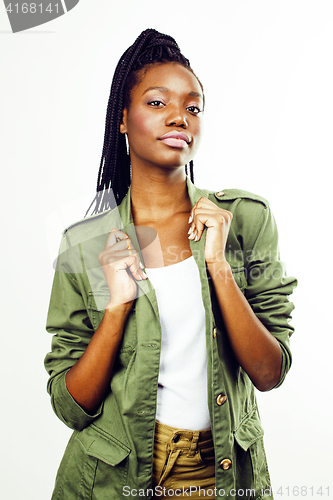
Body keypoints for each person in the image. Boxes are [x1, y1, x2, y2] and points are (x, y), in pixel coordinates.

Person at [45, 29, 297, 500]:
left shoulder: (244, 220)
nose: (180, 116)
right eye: (157, 103)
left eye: (193, 106)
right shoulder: (85, 245)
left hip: (222, 473)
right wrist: (116, 309)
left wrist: (218, 265)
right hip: (113, 479)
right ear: (123, 119)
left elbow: (269, 372)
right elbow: (71, 406)